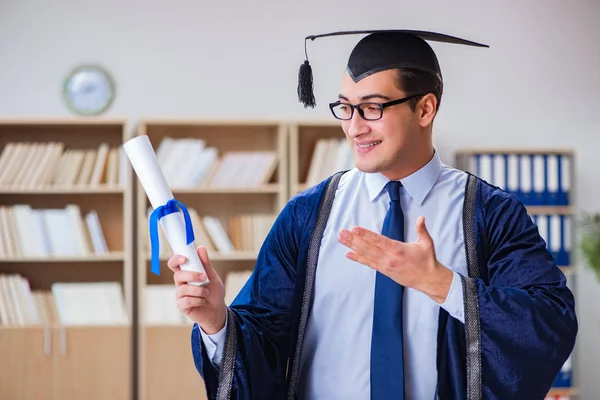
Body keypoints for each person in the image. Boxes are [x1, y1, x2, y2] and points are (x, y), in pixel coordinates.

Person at [167, 29, 578, 399]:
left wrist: (442, 284)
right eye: (345, 108)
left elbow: (549, 323)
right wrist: (217, 321)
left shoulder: (489, 213)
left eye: (373, 108)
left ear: (425, 109)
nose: (354, 127)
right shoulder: (307, 216)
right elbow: (265, 340)